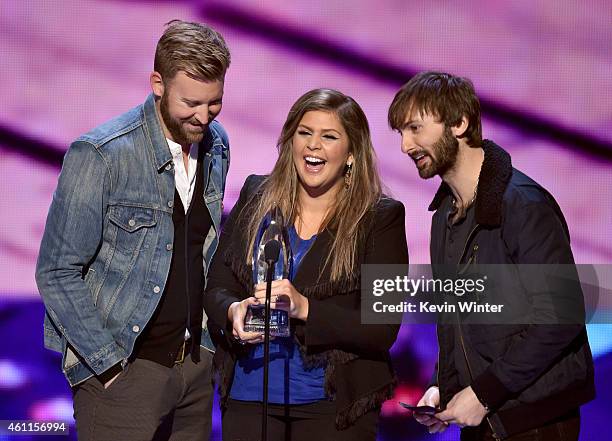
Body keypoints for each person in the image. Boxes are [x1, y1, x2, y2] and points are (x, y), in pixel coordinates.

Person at [35, 20, 231, 441]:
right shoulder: (101, 156)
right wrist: (107, 366)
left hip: (194, 371)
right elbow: (56, 271)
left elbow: (201, 250)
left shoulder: (217, 145)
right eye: (192, 103)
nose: (204, 117)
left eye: (214, 103)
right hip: (123, 375)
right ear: (157, 83)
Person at [388, 71, 595, 440]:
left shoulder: (524, 205)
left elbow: (560, 319)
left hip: (534, 422)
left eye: (415, 129)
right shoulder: (446, 218)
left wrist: (485, 393)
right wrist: (443, 387)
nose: (405, 145)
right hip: (485, 420)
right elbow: (457, 322)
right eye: (401, 133)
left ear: (459, 123)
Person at [204, 88, 409, 440]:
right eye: (305, 133)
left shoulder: (380, 218)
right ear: (290, 141)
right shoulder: (257, 195)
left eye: (329, 136)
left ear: (350, 153)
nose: (313, 145)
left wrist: (305, 308)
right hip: (250, 397)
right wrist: (233, 311)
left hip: (329, 408)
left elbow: (383, 328)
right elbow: (216, 287)